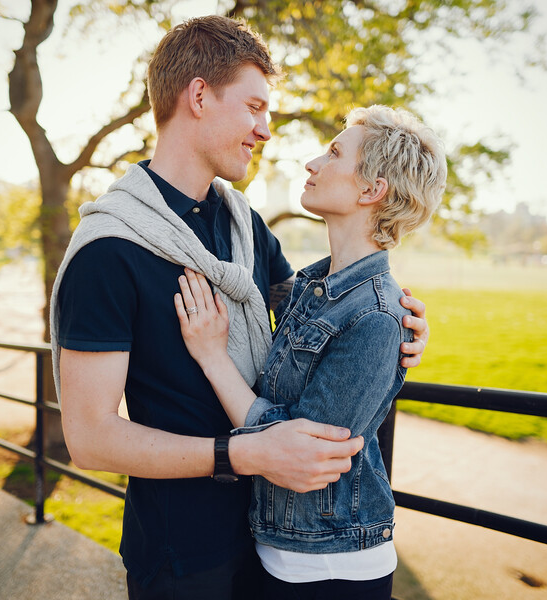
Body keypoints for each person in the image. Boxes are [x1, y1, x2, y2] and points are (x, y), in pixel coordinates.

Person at [49, 16, 430, 600]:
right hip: (184, 555)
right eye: (254, 108)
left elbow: (319, 315)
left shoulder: (244, 225)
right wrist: (243, 453)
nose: (266, 131)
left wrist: (401, 327)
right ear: (198, 96)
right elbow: (91, 438)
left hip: (275, 545)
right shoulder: (110, 251)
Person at [173, 104, 446, 599]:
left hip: (331, 571)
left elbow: (302, 458)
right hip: (280, 552)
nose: (313, 163)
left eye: (335, 153)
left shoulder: (378, 318)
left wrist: (212, 357)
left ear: (371, 190)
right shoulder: (311, 286)